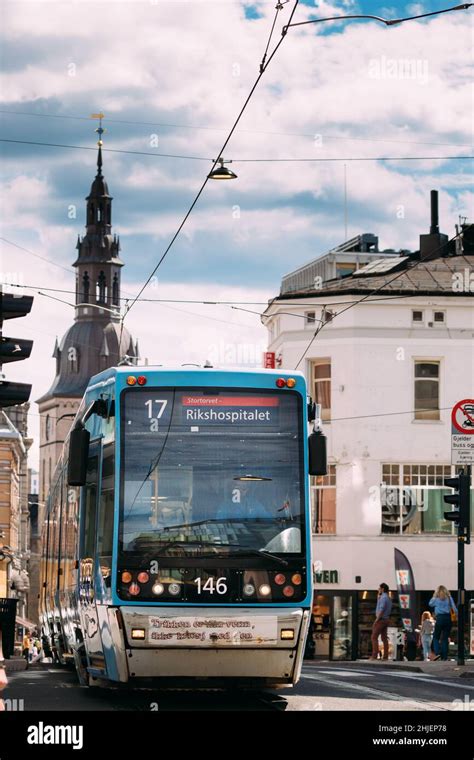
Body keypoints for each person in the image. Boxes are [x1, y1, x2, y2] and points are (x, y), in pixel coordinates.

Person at [429, 585, 457, 661]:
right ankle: (444, 656)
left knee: (436, 637)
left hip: (440, 618)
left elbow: (430, 604)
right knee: (445, 638)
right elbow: (454, 609)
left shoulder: (436, 599)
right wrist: (456, 616)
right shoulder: (449, 598)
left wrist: (434, 596)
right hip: (448, 618)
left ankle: (437, 653)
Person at [370, 583, 392, 660]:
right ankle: (385, 656)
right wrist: (378, 596)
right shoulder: (388, 598)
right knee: (384, 638)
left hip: (381, 619)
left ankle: (374, 655)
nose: (378, 589)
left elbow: (381, 609)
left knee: (374, 637)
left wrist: (377, 619)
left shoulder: (383, 598)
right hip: (386, 619)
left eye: (379, 588)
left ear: (382, 589)